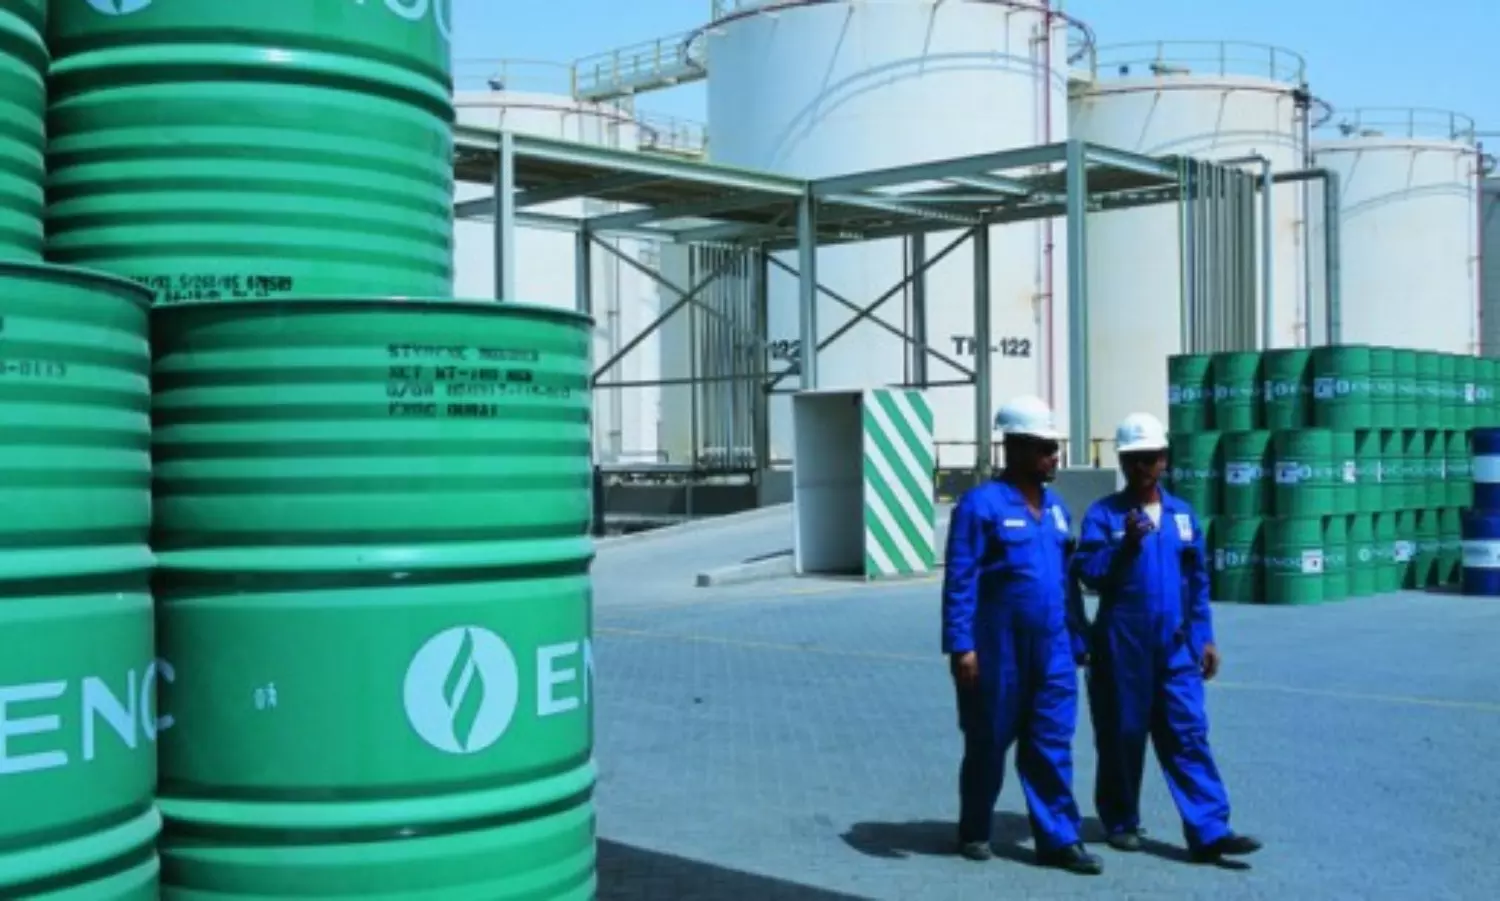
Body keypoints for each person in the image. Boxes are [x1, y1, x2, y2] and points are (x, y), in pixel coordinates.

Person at [1073, 411, 1262, 864]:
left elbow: (1196, 582)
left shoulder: (1182, 515)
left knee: (1188, 733)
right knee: (1122, 735)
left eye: (1151, 457)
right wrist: (1125, 548)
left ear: (1164, 459)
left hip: (1176, 648)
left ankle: (1210, 830)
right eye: (1133, 458)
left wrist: (1205, 637)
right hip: (1122, 647)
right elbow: (1089, 572)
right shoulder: (1104, 515)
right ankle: (1121, 820)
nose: (1142, 467)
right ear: (1122, 461)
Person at [941, 394, 1103, 876]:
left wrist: (1079, 638)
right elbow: (961, 580)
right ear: (1014, 447)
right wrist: (961, 646)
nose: (1054, 457)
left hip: (1053, 650)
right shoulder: (980, 506)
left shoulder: (1057, 509)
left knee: (1052, 742)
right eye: (1045, 448)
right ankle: (975, 827)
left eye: (1055, 448)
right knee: (988, 742)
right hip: (998, 650)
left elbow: (1066, 582)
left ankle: (1059, 839)